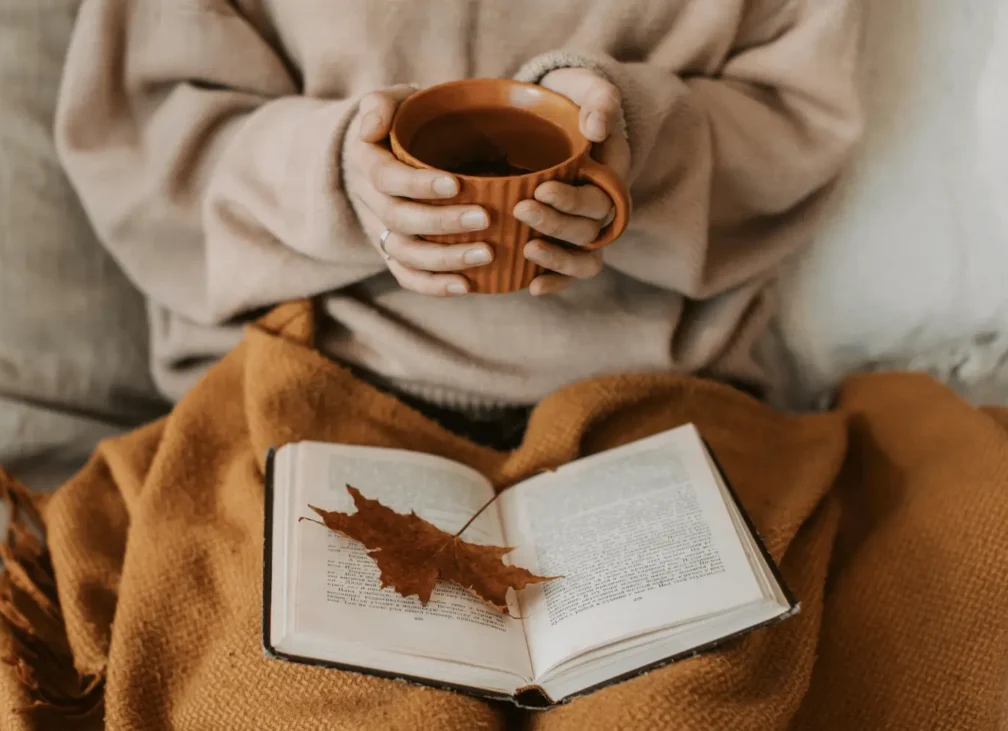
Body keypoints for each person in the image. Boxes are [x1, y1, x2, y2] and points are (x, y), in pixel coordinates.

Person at [55, 0, 862, 449]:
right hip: (310, 387)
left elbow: (796, 121)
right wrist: (338, 173)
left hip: (656, 404)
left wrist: (638, 148)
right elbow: (144, 138)